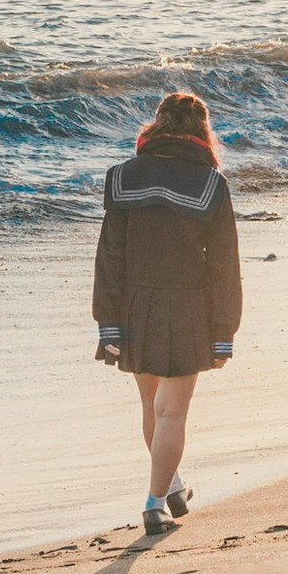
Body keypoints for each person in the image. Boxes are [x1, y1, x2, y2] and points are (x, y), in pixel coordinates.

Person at [92, 91, 242, 535]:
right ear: (202, 131)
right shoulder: (211, 184)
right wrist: (223, 332)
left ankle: (171, 485)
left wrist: (108, 322)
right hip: (188, 306)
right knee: (172, 413)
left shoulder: (122, 177)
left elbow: (109, 257)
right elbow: (223, 265)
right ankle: (155, 502)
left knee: (152, 406)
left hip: (134, 305)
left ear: (156, 126)